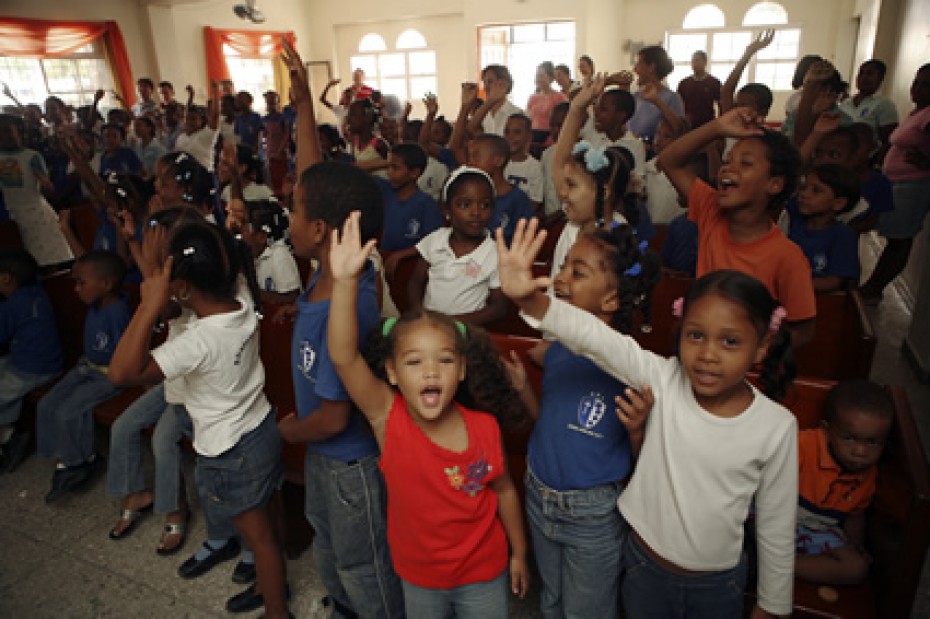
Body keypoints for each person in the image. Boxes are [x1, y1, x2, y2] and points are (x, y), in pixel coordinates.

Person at [498, 223, 799, 618]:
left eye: (730, 341)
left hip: (716, 580)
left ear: (761, 347)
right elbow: (593, 337)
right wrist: (534, 302)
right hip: (644, 565)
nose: (708, 354)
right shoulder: (661, 376)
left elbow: (776, 525)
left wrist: (773, 604)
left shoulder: (776, 426)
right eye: (695, 335)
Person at [328, 211, 530, 617]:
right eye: (415, 362)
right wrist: (346, 282)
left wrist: (519, 554)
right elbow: (344, 356)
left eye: (444, 360)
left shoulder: (484, 427)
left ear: (463, 369)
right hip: (419, 578)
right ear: (391, 373)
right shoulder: (389, 418)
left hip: (483, 573)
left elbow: (504, 490)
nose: (432, 371)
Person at [108, 220, 289, 618]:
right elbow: (210, 260)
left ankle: (277, 611)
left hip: (229, 449)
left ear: (184, 286)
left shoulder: (197, 342)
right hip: (261, 428)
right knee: (269, 521)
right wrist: (161, 273)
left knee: (259, 539)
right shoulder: (240, 293)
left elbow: (121, 372)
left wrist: (147, 304)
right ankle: (268, 582)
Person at [502, 223, 658, 619]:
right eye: (564, 266)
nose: (560, 278)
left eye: (577, 271)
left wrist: (638, 430)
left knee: (587, 610)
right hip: (539, 493)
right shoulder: (556, 351)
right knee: (551, 600)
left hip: (592, 512)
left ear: (610, 300)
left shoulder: (629, 368)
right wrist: (523, 389)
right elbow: (548, 422)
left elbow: (644, 466)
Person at [658, 106, 816, 348]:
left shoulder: (788, 258)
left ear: (774, 184)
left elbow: (803, 330)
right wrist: (717, 127)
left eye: (746, 164)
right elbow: (670, 161)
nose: (727, 168)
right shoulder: (711, 211)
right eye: (728, 160)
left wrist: (750, 352)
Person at [37, 251, 131, 502]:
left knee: (70, 411)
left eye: (81, 283)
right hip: (86, 366)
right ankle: (61, 454)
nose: (76, 289)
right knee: (48, 404)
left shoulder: (118, 312)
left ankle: (81, 461)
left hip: (108, 375)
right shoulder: (95, 304)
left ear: (106, 284)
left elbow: (128, 354)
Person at [795, 380, 893, 585]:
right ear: (827, 431)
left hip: (818, 531)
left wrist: (855, 544)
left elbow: (856, 515)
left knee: (856, 568)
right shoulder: (803, 445)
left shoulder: (869, 474)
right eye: (849, 438)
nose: (860, 452)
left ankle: (777, 566)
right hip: (776, 517)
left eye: (872, 442)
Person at [549, 77, 643, 279]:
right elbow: (559, 162)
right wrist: (576, 108)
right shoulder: (575, 223)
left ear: (605, 191)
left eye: (572, 185)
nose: (563, 192)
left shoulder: (617, 237)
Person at [860, 64, 930, 305]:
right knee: (893, 236)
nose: (918, 89)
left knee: (899, 240)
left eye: (926, 85)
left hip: (912, 186)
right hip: (897, 184)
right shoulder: (918, 113)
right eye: (916, 83)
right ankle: (872, 287)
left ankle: (873, 289)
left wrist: (927, 162)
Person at [407, 166, 508, 326]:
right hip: (428, 326)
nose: (476, 212)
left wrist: (453, 323)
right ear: (446, 209)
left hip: (466, 332)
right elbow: (415, 282)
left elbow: (499, 308)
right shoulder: (436, 240)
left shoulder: (495, 253)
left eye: (484, 205)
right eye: (464, 204)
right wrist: (420, 314)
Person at [0, 249, 63, 473]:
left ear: (6, 278)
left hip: (32, 368)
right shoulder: (36, 290)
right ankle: (9, 430)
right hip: (40, 360)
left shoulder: (12, 305)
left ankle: (10, 438)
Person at [0, 114, 73, 267]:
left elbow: (49, 189)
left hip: (35, 213)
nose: (4, 135)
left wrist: (46, 183)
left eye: (7, 130)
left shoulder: (31, 156)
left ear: (18, 131)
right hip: (9, 215)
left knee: (47, 259)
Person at [786, 163, 860, 292]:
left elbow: (833, 282)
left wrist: (790, 285)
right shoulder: (795, 216)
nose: (804, 194)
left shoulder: (843, 235)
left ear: (838, 203)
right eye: (804, 188)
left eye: (816, 190)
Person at [226, 197, 301, 305]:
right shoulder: (255, 254)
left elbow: (292, 297)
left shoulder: (279, 255)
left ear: (262, 236)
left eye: (245, 224)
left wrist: (254, 293)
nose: (240, 229)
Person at [464, 132, 535, 244]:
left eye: (476, 157)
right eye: (469, 157)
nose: (469, 163)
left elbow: (526, 240)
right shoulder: (466, 195)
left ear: (498, 161)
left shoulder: (518, 200)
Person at [377, 142, 443, 253]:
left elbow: (433, 241)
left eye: (395, 168)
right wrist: (386, 162)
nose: (389, 172)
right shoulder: (386, 190)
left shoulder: (425, 203)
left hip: (410, 262)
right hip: (385, 257)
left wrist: (401, 255)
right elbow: (352, 169)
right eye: (388, 167)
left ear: (414, 173)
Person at [838, 59, 898, 161]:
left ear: (880, 79)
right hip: (841, 157)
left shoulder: (884, 104)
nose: (863, 77)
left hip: (868, 160)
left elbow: (889, 141)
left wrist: (877, 165)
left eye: (869, 74)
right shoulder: (845, 103)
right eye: (861, 73)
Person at [628, 46, 684, 144]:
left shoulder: (671, 98)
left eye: (639, 64)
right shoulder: (636, 96)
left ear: (651, 68)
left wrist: (656, 101)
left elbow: (680, 130)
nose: (635, 69)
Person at [469, 64, 524, 137]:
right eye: (484, 82)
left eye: (490, 81)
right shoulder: (481, 113)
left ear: (504, 84)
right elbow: (470, 130)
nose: (486, 87)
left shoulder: (517, 113)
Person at [504, 113, 545, 207]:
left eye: (517, 132)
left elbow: (535, 201)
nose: (510, 137)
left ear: (529, 137)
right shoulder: (499, 162)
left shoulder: (535, 167)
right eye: (507, 132)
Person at [677, 51, 721, 129]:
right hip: (688, 125)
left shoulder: (714, 83)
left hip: (707, 124)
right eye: (693, 61)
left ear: (705, 62)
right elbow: (678, 104)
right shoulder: (684, 83)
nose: (694, 64)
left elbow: (721, 104)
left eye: (697, 60)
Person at [540, 102, 569, 217]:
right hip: (550, 221)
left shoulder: (584, 154)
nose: (555, 131)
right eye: (552, 126)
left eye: (561, 125)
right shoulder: (547, 154)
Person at [526, 61, 567, 144]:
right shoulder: (532, 98)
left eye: (541, 76)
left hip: (550, 137)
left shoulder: (560, 97)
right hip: (532, 136)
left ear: (551, 78)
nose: (538, 79)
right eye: (537, 76)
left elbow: (563, 122)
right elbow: (528, 119)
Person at [262, 90, 290, 193]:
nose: (270, 106)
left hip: (281, 153)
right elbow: (264, 136)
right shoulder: (264, 119)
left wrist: (280, 150)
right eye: (268, 104)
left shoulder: (282, 118)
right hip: (269, 153)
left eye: (273, 103)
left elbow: (286, 134)